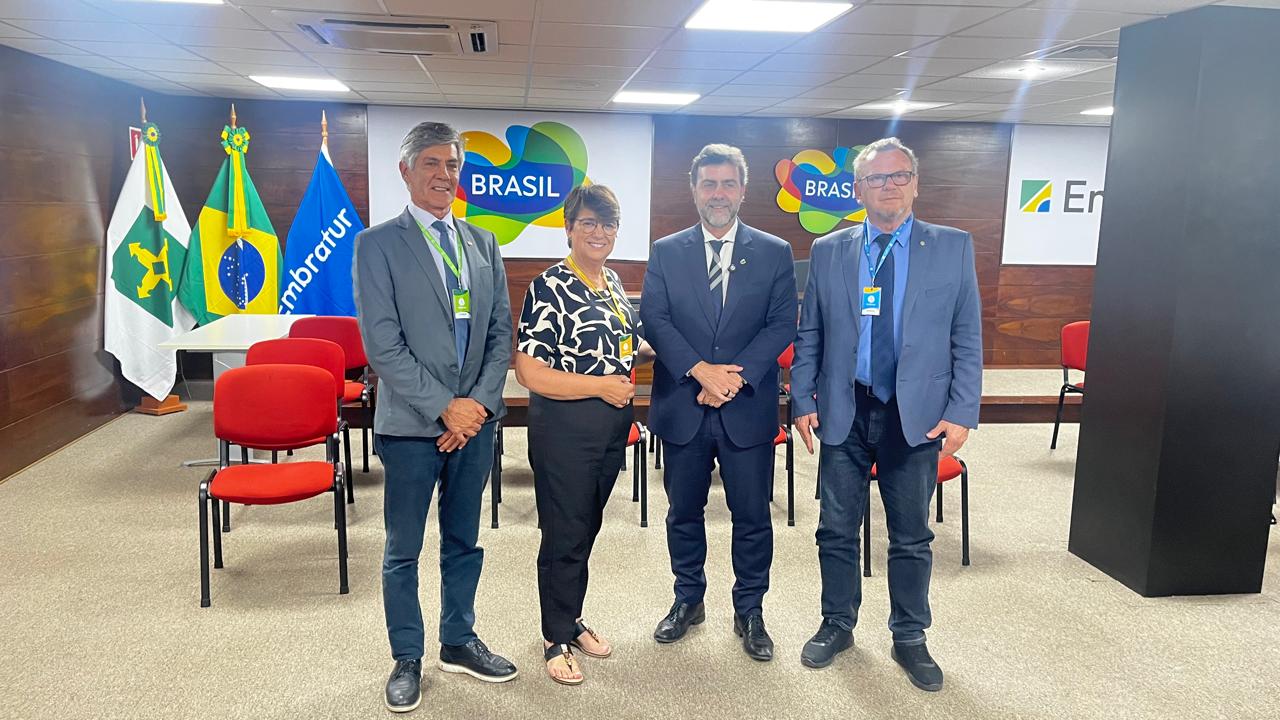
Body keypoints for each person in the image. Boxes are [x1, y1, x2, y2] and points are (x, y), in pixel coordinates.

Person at [789, 137, 982, 691]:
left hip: (916, 414)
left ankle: (910, 636)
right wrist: (802, 398)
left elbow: (966, 334)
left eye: (899, 176)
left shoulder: (952, 246)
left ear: (915, 183)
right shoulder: (830, 250)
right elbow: (811, 332)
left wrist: (962, 410)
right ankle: (837, 623)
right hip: (845, 407)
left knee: (911, 535)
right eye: (876, 178)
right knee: (835, 528)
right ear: (858, 190)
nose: (889, 186)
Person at [353, 121, 518, 714]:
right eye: (431, 163)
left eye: (452, 165)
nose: (444, 175)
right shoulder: (377, 245)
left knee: (464, 540)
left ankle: (458, 640)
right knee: (403, 548)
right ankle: (407, 656)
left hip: (474, 424)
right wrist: (444, 406)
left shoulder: (483, 242)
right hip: (410, 426)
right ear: (406, 171)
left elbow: (500, 332)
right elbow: (382, 344)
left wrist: (475, 407)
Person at [640, 143, 797, 662]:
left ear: (743, 190)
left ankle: (750, 609)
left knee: (752, 517)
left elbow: (781, 324)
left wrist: (733, 378)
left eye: (728, 183)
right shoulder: (667, 251)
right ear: (694, 190)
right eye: (709, 183)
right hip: (683, 406)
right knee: (683, 513)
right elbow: (655, 319)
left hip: (746, 409)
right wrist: (699, 370)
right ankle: (689, 599)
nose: (718, 193)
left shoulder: (774, 251)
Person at [514, 184, 655, 685]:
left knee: (585, 528)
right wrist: (600, 386)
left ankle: (570, 617)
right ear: (569, 228)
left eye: (608, 224)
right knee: (563, 532)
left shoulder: (611, 281)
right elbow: (530, 371)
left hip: (610, 428)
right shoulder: (550, 286)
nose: (599, 232)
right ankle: (554, 637)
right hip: (565, 429)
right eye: (589, 223)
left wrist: (682, 349)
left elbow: (628, 347)